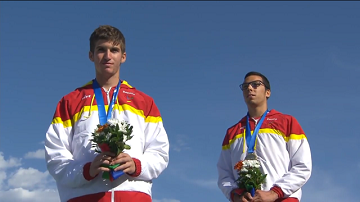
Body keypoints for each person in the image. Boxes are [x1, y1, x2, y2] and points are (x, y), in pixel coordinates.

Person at [45, 25, 169, 202]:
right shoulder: (70, 101)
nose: (108, 56)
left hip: (133, 196)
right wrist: (86, 170)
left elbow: (160, 152)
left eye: (114, 50)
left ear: (123, 57)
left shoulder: (144, 102)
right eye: (101, 50)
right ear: (91, 55)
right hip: (83, 197)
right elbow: (55, 155)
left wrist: (137, 164)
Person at [217, 71, 312, 202]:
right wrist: (236, 195)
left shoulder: (287, 122)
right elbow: (224, 174)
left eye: (255, 84)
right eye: (245, 86)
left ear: (268, 92)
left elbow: (302, 166)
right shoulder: (232, 132)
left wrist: (275, 192)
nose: (249, 88)